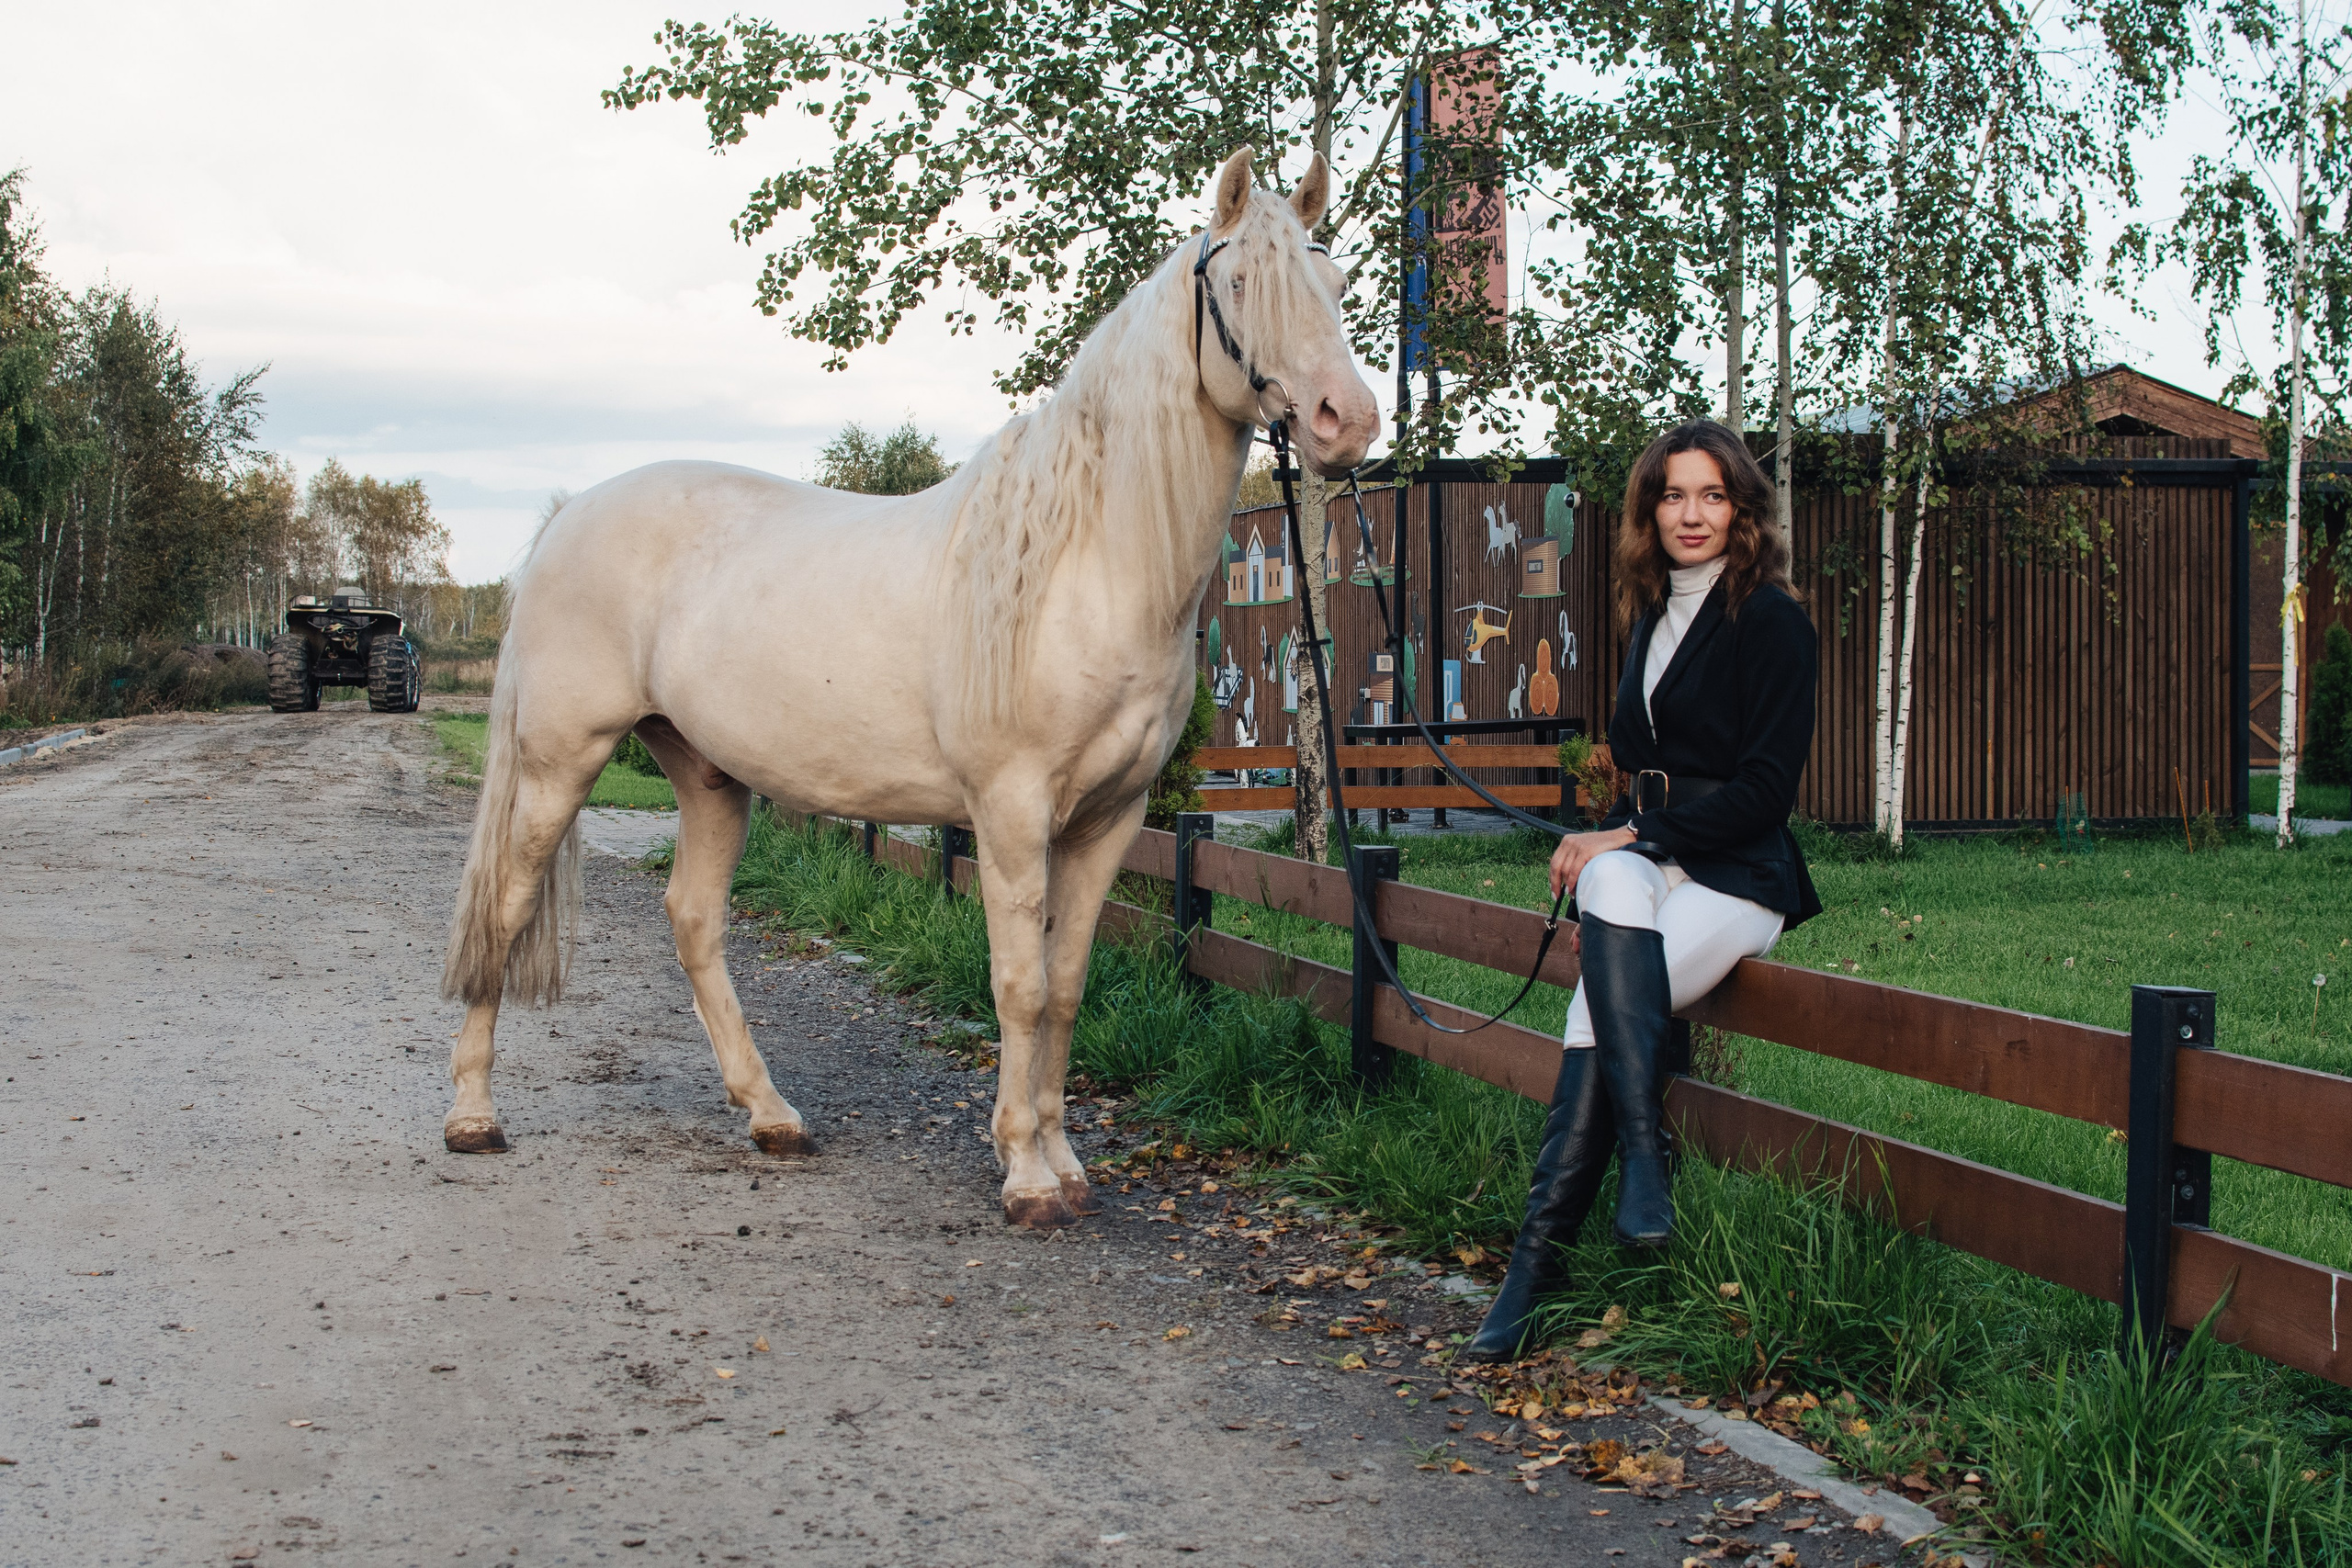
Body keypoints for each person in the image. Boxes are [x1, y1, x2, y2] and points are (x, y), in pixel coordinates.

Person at [1464, 420, 1822, 1363]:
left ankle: (1533, 1271)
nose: (1691, 515)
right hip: (1649, 865)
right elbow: (1639, 781)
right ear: (1648, 511)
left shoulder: (1773, 619)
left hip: (1739, 874)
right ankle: (1639, 1176)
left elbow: (1765, 793)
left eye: (1711, 495)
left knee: (1597, 1004)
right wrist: (1618, 837)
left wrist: (1628, 832)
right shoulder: (1651, 617)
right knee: (1611, 880)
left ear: (1741, 507)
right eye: (1673, 496)